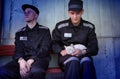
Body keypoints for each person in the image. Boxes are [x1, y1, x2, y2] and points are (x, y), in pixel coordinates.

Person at [0, 4, 51, 79]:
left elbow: (45, 49)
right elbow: (18, 50)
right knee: (3, 71)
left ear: (36, 15)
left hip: (39, 59)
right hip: (23, 60)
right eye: (25, 12)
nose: (26, 14)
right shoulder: (20, 33)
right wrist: (21, 61)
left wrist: (32, 59)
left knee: (36, 72)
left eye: (29, 12)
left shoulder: (44, 31)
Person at [52, 0, 99, 79]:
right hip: (67, 57)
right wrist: (61, 51)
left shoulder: (89, 27)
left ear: (82, 12)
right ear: (68, 12)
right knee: (73, 61)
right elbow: (54, 43)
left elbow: (94, 47)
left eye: (78, 13)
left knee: (87, 62)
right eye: (72, 13)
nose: (75, 16)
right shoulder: (61, 26)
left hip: (84, 55)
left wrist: (83, 51)